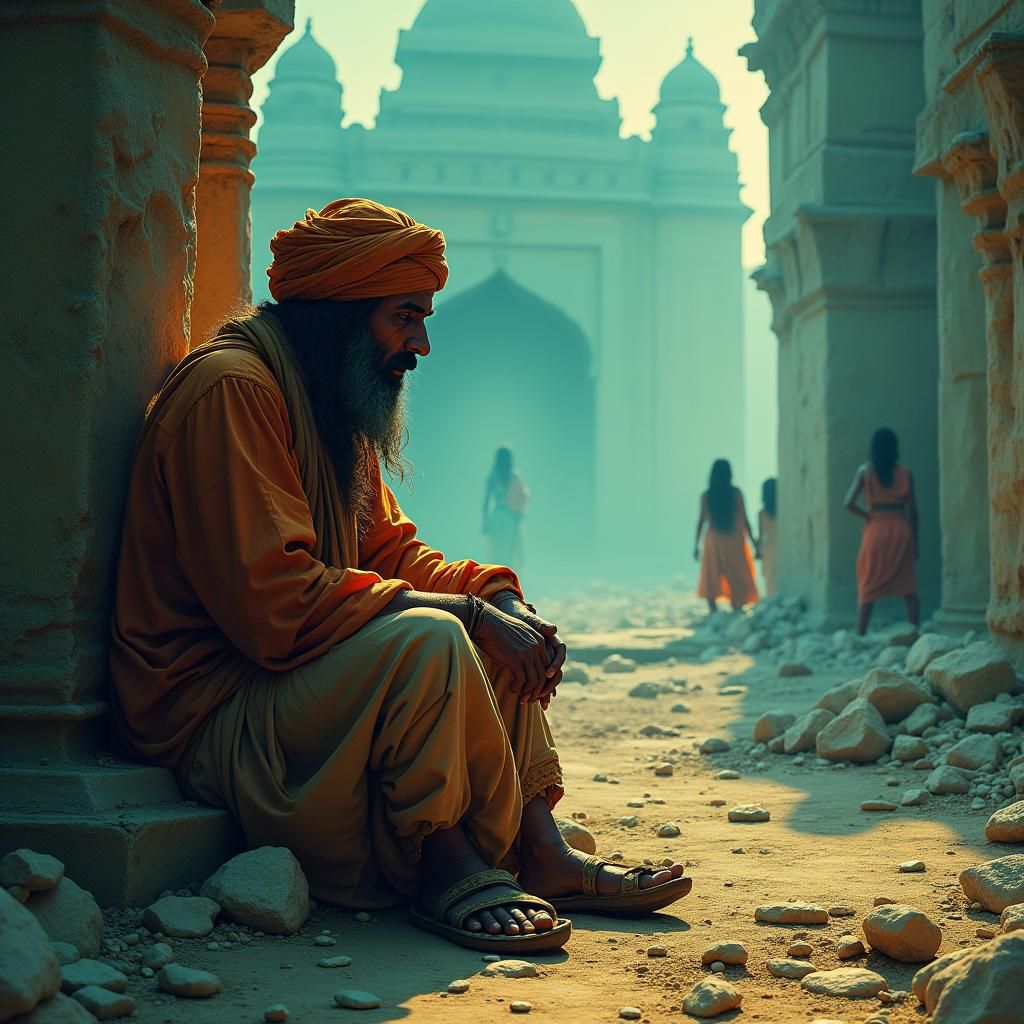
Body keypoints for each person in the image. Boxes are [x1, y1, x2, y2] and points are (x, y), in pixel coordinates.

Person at [109, 198, 689, 956]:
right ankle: (443, 862)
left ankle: (541, 849)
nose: (419, 344)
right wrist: (468, 617)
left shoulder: (331, 406)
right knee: (433, 638)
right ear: (340, 311)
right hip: (215, 711)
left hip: (291, 689)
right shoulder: (234, 391)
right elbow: (274, 607)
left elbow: (391, 557)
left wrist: (498, 598)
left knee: (482, 626)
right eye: (404, 317)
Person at [844, 427, 919, 636]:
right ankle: (915, 632)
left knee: (868, 582)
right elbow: (913, 510)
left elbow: (848, 503)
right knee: (908, 586)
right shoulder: (905, 473)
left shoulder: (864, 472)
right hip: (900, 528)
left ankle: (861, 632)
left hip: (875, 528)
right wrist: (915, 541)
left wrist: (867, 515)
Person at [693, 459, 759, 612]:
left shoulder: (707, 495)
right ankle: (737, 605)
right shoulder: (736, 493)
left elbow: (701, 521)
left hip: (713, 539)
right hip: (734, 538)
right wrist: (755, 545)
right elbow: (745, 520)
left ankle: (713, 609)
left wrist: (696, 546)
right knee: (737, 572)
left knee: (711, 574)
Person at [483, 447, 530, 567]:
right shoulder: (515, 476)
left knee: (497, 551)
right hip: (511, 516)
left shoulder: (492, 477)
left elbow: (486, 501)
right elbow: (524, 498)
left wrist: (485, 522)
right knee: (512, 551)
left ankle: (497, 580)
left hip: (496, 516)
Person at [757, 477, 778, 597]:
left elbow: (760, 536)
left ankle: (771, 597)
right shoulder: (783, 511)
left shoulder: (762, 513)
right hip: (782, 546)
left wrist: (758, 550)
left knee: (770, 577)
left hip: (769, 548)